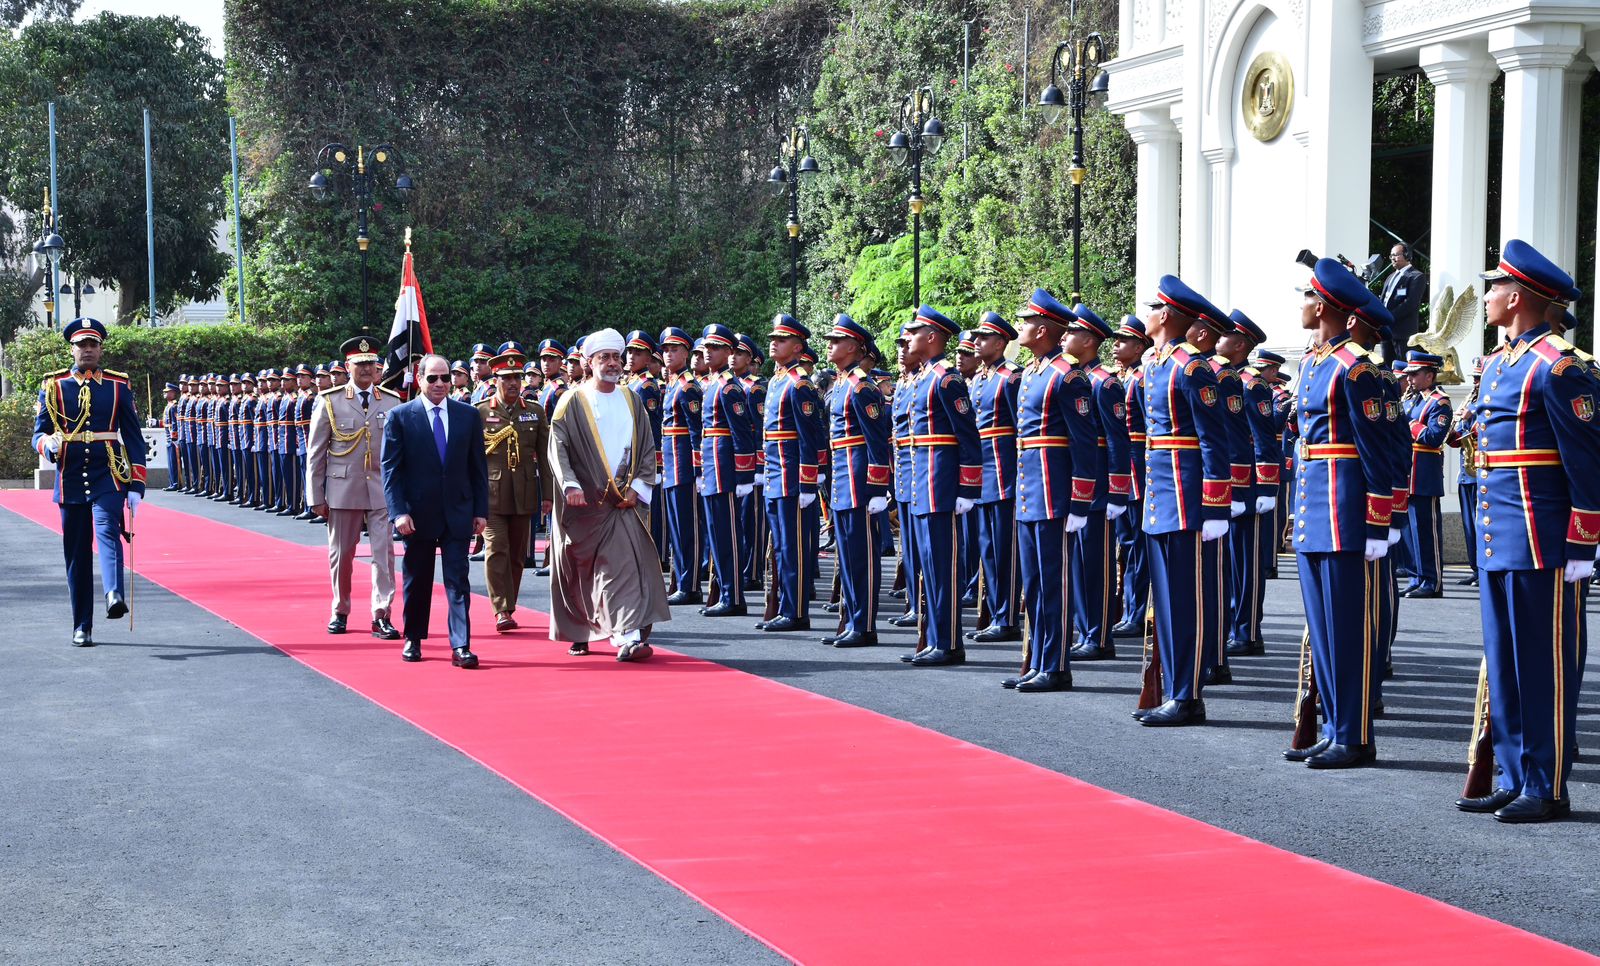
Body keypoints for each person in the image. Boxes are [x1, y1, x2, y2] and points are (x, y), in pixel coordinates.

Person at [1457, 239, 1598, 822]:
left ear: (1517, 297)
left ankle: (1546, 784)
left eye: (1495, 286)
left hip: (1543, 538)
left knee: (1545, 666)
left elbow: (1587, 460)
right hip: (1499, 533)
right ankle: (1516, 775)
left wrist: (1584, 540)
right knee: (1506, 663)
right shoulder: (1500, 363)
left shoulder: (1560, 366)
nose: (1488, 295)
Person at [1284, 258, 1395, 768]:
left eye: (1309, 297)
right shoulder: (1313, 362)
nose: (1303, 305)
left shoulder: (1356, 367)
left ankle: (1354, 734)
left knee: (1348, 628)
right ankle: (1334, 726)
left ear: (1325, 306)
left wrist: (1378, 519)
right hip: (1316, 506)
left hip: (1345, 507)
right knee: (1323, 629)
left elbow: (1377, 449)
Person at [1136, 276, 1233, 727]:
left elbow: (1214, 439)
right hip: (1161, 497)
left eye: (1152, 308)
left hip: (1185, 496)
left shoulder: (1191, 368)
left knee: (1185, 602)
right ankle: (1173, 688)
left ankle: (1188, 694)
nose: (1147, 314)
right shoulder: (1155, 364)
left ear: (1167, 316)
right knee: (1166, 602)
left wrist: (1215, 505)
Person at [547, 328, 672, 660]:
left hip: (622, 503)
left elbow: (647, 447)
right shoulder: (572, 400)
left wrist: (638, 487)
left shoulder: (632, 398)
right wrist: (570, 485)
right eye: (605, 357)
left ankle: (629, 636)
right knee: (580, 572)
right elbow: (557, 448)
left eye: (617, 357)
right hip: (584, 504)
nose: (613, 363)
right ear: (589, 363)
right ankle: (582, 632)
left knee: (623, 567)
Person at [31, 317, 148, 647]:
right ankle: (82, 625)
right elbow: (38, 432)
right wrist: (47, 444)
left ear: (100, 349)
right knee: (77, 554)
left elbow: (133, 437)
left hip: (108, 473)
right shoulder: (54, 386)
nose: (87, 350)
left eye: (92, 344)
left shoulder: (117, 385)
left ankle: (113, 593)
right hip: (70, 477)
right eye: (81, 344)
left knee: (108, 528)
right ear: (72, 349)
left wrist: (137, 484)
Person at [1003, 293, 1098, 692]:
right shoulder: (1032, 372)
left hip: (1054, 492)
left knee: (1054, 582)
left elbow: (1085, 442)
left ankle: (1056, 665)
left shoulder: (1067, 376)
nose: (1020, 327)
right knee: (1035, 584)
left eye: (1026, 322)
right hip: (1030, 491)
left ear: (1042, 330)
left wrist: (1080, 500)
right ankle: (1039, 658)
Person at [381, 353, 489, 667]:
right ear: (419, 380)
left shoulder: (468, 415)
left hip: (458, 511)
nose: (440, 383)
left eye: (445, 377)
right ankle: (413, 638)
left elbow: (477, 468)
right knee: (417, 580)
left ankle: (461, 645)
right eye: (432, 378)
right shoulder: (400, 416)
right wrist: (398, 512)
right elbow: (391, 471)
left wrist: (480, 510)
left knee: (458, 581)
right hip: (417, 515)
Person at [898, 305, 982, 667]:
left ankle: (948, 643)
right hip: (923, 485)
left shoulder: (947, 380)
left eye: (915, 333)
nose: (908, 340)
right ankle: (934, 637)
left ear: (932, 338)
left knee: (942, 567)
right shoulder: (923, 378)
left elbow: (968, 436)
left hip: (940, 485)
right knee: (928, 568)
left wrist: (968, 487)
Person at [307, 336, 404, 640]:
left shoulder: (391, 401)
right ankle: (340, 609)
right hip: (343, 488)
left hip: (381, 489)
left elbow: (401, 453)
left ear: (378, 367)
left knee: (383, 554)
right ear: (348, 366)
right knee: (341, 554)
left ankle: (382, 613)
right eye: (360, 364)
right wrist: (315, 496)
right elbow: (316, 453)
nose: (366, 369)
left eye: (370, 363)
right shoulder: (330, 400)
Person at [820, 314, 892, 647]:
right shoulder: (841, 384)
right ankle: (851, 619)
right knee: (848, 556)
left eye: (836, 341)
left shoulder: (862, 387)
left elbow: (876, 440)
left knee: (862, 556)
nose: (830, 346)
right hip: (843, 478)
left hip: (860, 479)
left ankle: (864, 625)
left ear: (853, 347)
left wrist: (877, 487)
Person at [1065, 303, 1131, 663]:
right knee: (1078, 564)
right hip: (1077, 485)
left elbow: (1118, 440)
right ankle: (1085, 630)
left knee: (1096, 564)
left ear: (1089, 340)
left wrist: (1118, 491)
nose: (1064, 336)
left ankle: (1100, 635)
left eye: (1072, 332)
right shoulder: (1072, 378)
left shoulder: (1104, 383)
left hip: (1099, 487)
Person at [755, 314, 825, 632]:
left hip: (791, 476)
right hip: (775, 475)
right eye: (773, 339)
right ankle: (784, 606)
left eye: (781, 340)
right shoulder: (777, 381)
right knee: (781, 547)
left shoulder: (799, 384)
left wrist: (809, 481)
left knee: (793, 547)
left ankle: (796, 611)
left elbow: (811, 436)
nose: (774, 344)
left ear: (798, 347)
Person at [477, 345, 552, 633]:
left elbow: (544, 457)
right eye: (506, 378)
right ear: (495, 380)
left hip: (524, 493)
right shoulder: (480, 412)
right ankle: (501, 610)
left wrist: (548, 495)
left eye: (516, 378)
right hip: (491, 495)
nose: (512, 383)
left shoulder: (533, 411)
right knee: (496, 548)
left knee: (518, 555)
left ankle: (510, 604)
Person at [1220, 312, 1280, 658]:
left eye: (1225, 336)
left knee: (1245, 561)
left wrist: (1267, 486)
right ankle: (1230, 624)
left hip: (1249, 485)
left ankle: (1247, 631)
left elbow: (1264, 437)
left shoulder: (1252, 383)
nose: (1218, 339)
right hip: (1226, 483)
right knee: (1228, 561)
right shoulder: (1222, 376)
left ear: (1240, 344)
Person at [965, 312, 1022, 644]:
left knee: (1005, 551)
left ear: (1000, 343)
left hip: (1004, 475)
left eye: (983, 338)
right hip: (984, 477)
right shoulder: (979, 378)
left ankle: (1007, 616)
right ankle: (996, 612)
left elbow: (1021, 432)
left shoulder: (1011, 378)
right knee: (987, 549)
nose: (976, 343)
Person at [698, 323, 758, 616]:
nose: (708, 352)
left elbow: (742, 433)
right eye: (707, 348)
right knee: (715, 532)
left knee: (727, 534)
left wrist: (745, 475)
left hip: (724, 468)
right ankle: (724, 591)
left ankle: (733, 596)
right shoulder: (712, 383)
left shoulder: (729, 387)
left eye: (716, 348)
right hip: (712, 466)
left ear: (729, 352)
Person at [1111, 317, 1153, 637]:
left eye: (1123, 341)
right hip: (1122, 470)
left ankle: (1136, 613)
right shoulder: (1120, 378)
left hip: (1137, 470)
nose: (1115, 345)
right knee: (1125, 545)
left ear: (1139, 347)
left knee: (1137, 547)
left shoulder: (1141, 380)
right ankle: (1126, 610)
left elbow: (1151, 428)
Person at [659, 326, 704, 605]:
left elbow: (697, 433)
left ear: (686, 353)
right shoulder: (673, 384)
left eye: (674, 349)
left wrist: (698, 471)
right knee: (676, 528)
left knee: (688, 529)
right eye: (665, 349)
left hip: (685, 466)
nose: (668, 354)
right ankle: (681, 580)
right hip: (672, 466)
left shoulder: (688, 387)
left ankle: (691, 584)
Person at [1399, 350, 1450, 597]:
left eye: (1414, 374)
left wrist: (1411, 425)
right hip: (1407, 473)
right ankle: (1415, 577)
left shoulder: (1440, 403)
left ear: (1429, 376)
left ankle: (1432, 581)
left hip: (1424, 475)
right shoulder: (1412, 401)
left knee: (1426, 532)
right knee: (1409, 532)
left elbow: (1433, 437)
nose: (1409, 379)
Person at [1380, 243, 1426, 362]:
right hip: (1386, 332)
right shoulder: (1390, 277)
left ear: (1407, 255)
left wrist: (1389, 317)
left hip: (1403, 333)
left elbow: (1410, 303)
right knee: (1386, 368)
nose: (1393, 258)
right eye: (1391, 256)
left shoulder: (1416, 276)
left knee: (1403, 367)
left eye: (1396, 255)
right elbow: (1383, 300)